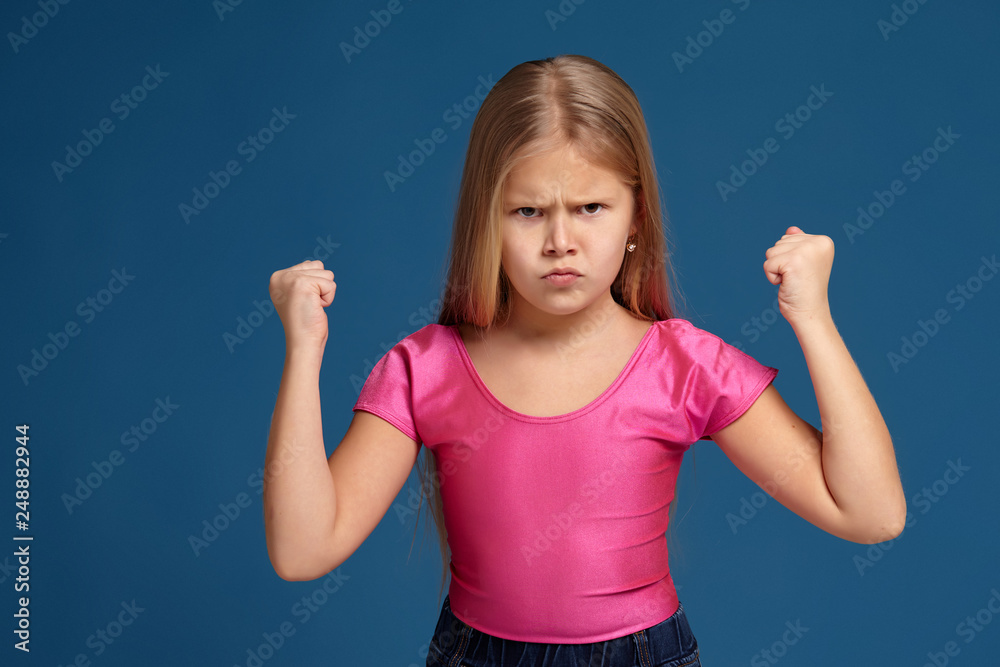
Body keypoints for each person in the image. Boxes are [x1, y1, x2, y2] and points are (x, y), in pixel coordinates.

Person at [263, 54, 906, 667]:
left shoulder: (685, 367)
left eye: (590, 208)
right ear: (487, 222)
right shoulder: (426, 368)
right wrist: (303, 349)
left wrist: (813, 319)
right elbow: (301, 549)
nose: (560, 242)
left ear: (636, 219)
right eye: (528, 212)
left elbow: (871, 513)